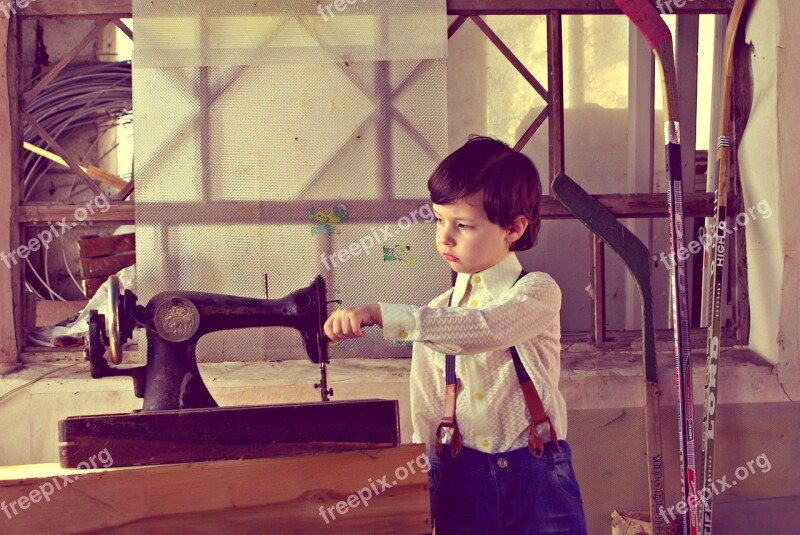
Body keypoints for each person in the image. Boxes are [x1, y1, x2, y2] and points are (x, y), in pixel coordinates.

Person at [323, 136, 588, 534]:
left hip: (536, 478)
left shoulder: (536, 292)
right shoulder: (436, 312)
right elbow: (427, 408)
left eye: (463, 225)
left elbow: (485, 328)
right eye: (439, 219)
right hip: (460, 483)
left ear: (514, 228)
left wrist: (382, 314)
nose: (445, 237)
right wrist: (422, 483)